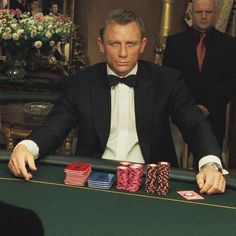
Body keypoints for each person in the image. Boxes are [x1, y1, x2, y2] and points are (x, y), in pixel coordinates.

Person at [8, 9, 227, 195]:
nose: (122, 53)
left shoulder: (167, 80)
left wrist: (210, 164)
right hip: (94, 182)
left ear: (142, 45)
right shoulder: (80, 83)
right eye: (114, 43)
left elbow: (195, 124)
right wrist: (27, 147)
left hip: (149, 185)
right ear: (101, 44)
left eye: (130, 44)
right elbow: (54, 127)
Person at [163, 0, 236, 149]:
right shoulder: (174, 42)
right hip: (179, 116)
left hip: (214, 117)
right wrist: (190, 107)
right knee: (176, 166)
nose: (203, 16)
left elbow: (231, 81)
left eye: (208, 12)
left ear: (215, 14)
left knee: (210, 167)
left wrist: (207, 107)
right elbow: (169, 79)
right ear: (190, 14)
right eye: (199, 12)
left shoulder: (230, 44)